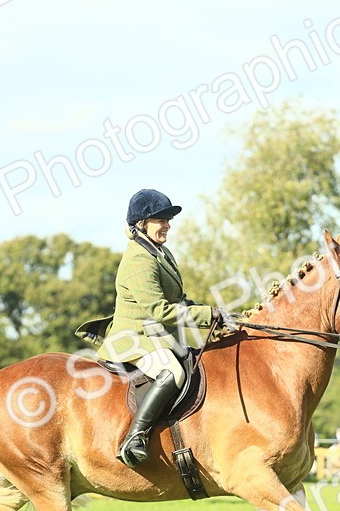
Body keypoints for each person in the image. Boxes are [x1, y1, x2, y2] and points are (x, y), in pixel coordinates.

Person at [74, 189, 231, 467]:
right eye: (161, 219)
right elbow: (159, 310)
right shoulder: (139, 259)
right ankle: (134, 439)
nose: (168, 224)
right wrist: (206, 314)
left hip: (158, 337)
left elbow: (178, 301)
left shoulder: (160, 253)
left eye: (168, 219)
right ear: (140, 225)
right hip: (134, 339)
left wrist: (216, 315)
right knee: (172, 371)